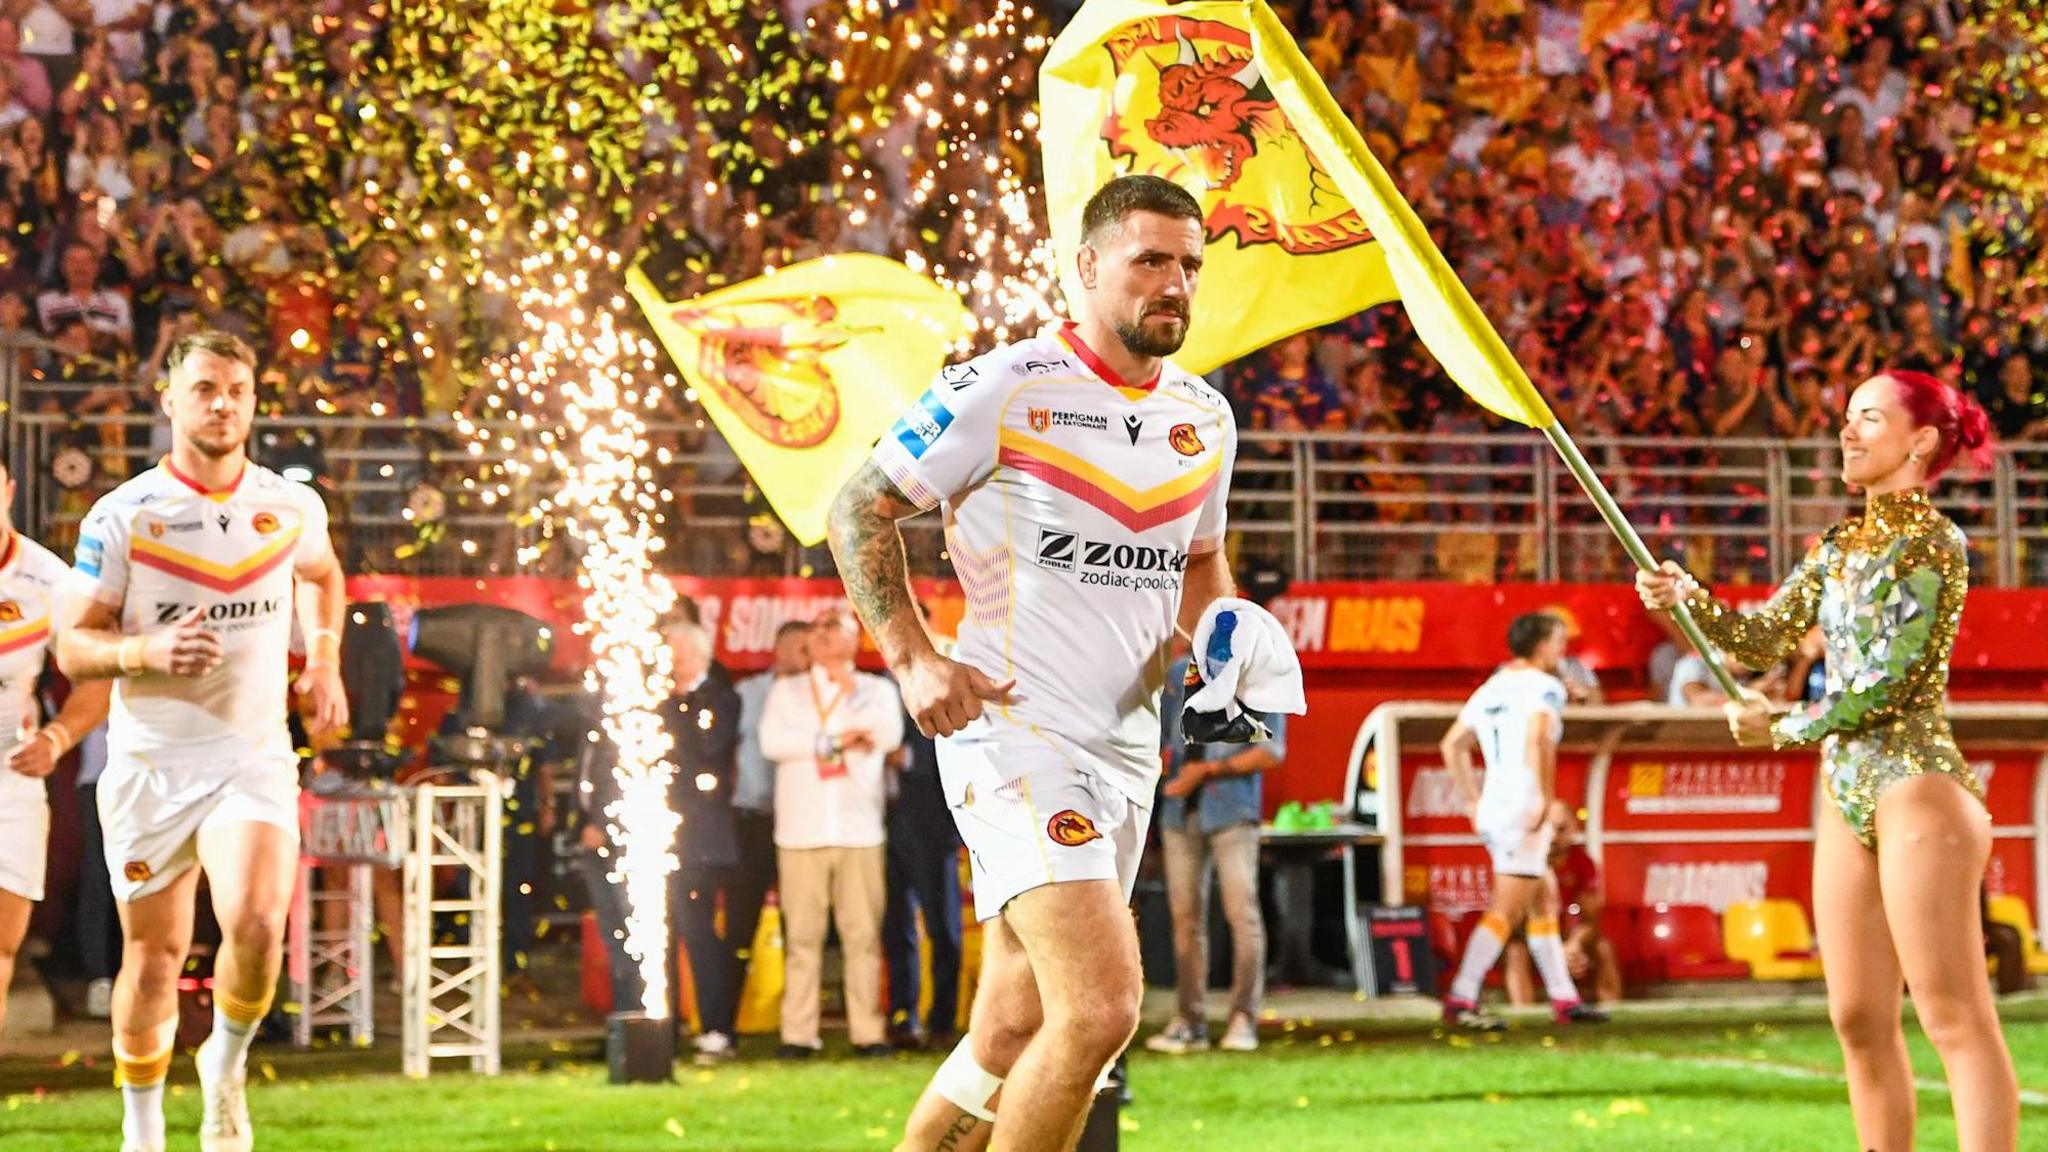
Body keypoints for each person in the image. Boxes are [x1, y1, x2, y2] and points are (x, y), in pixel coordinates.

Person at [828, 173, 1237, 1152]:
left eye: (1187, 263)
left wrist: (1221, 654)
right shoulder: (1002, 387)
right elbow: (856, 507)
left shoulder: (1204, 418)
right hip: (1012, 735)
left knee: (1011, 1026)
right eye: (1149, 260)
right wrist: (914, 658)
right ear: (1087, 266)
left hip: (1127, 752)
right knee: (1099, 1010)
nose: (1173, 282)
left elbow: (1200, 560)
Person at [1637, 369, 2019, 1152]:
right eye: (1846, 419)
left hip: (1917, 787)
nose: (1846, 432)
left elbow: (1894, 682)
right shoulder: (1841, 544)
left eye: (1867, 419)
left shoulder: (1933, 540)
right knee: (1855, 1018)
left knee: (1951, 1013)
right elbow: (1763, 639)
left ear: (1918, 443)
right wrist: (1689, 597)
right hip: (1845, 788)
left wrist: (1780, 727)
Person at [57, 329, 348, 1152]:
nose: (223, 405)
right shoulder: (124, 515)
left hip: (249, 756)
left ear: (254, 402)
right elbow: (72, 644)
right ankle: (142, 1129)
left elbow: (322, 574)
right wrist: (146, 651)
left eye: (238, 391)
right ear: (170, 401)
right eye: (205, 389)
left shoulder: (291, 503)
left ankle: (224, 1067)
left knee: (258, 922)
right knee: (154, 957)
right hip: (152, 764)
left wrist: (322, 659)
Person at [1438, 612, 1608, 1031]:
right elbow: (1538, 739)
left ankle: (1564, 999)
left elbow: (1452, 745)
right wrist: (1547, 801)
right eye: (1559, 642)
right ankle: (1462, 995)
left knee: (1543, 900)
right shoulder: (1545, 687)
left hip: (1498, 804)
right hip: (1524, 807)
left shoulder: (1493, 686)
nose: (1563, 651)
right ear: (1542, 646)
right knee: (1506, 910)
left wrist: (1472, 800)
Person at [757, 606, 904, 1058]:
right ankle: (798, 1034)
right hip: (801, 830)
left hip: (859, 829)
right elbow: (772, 743)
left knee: (862, 936)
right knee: (802, 938)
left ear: (854, 638)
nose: (821, 635)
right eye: (816, 627)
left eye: (832, 627)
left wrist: (850, 704)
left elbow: (889, 735)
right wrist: (839, 741)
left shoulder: (876, 689)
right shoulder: (789, 689)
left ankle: (868, 1032)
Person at [0, 457, 113, 1041]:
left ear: (11, 490)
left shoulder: (50, 581)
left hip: (9, 778)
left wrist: (58, 737)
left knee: (1, 948)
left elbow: (98, 675)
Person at [1143, 630, 1285, 1055]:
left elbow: (1271, 751)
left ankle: (1244, 1017)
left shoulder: (1258, 679)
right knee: (1185, 920)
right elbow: (1162, 739)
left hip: (1230, 811)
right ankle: (1190, 1020)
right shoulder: (1175, 674)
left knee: (1240, 914)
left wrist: (1204, 774)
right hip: (1178, 811)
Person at [662, 619, 743, 1062]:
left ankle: (717, 1026)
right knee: (660, 934)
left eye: (679, 653)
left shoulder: (719, 699)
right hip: (660, 829)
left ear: (698, 655)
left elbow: (707, 747)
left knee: (699, 934)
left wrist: (678, 707)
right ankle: (664, 1023)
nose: (672, 661)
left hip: (700, 838)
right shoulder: (656, 700)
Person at [883, 607, 963, 1051]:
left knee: (943, 928)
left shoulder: (944, 673)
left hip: (932, 823)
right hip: (885, 822)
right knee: (895, 927)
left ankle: (942, 1020)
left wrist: (906, 760)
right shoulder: (876, 683)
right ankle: (902, 1016)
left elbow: (949, 743)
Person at [728, 619, 806, 994]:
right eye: (798, 648)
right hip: (752, 819)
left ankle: (796, 1018)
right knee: (741, 920)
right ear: (779, 649)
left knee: (801, 923)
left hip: (802, 821)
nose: (804, 657)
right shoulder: (747, 693)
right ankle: (723, 1021)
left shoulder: (817, 695)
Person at [1502, 801, 1621, 1008]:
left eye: (1561, 828)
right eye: (1548, 829)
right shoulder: (1520, 863)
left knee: (1603, 948)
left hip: (1566, 936)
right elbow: (1514, 922)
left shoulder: (1582, 863)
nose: (1553, 836)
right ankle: (1524, 1016)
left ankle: (1612, 1012)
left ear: (1573, 829)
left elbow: (1591, 921)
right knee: (1515, 951)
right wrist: (1554, 949)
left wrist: (1574, 944)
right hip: (1530, 937)